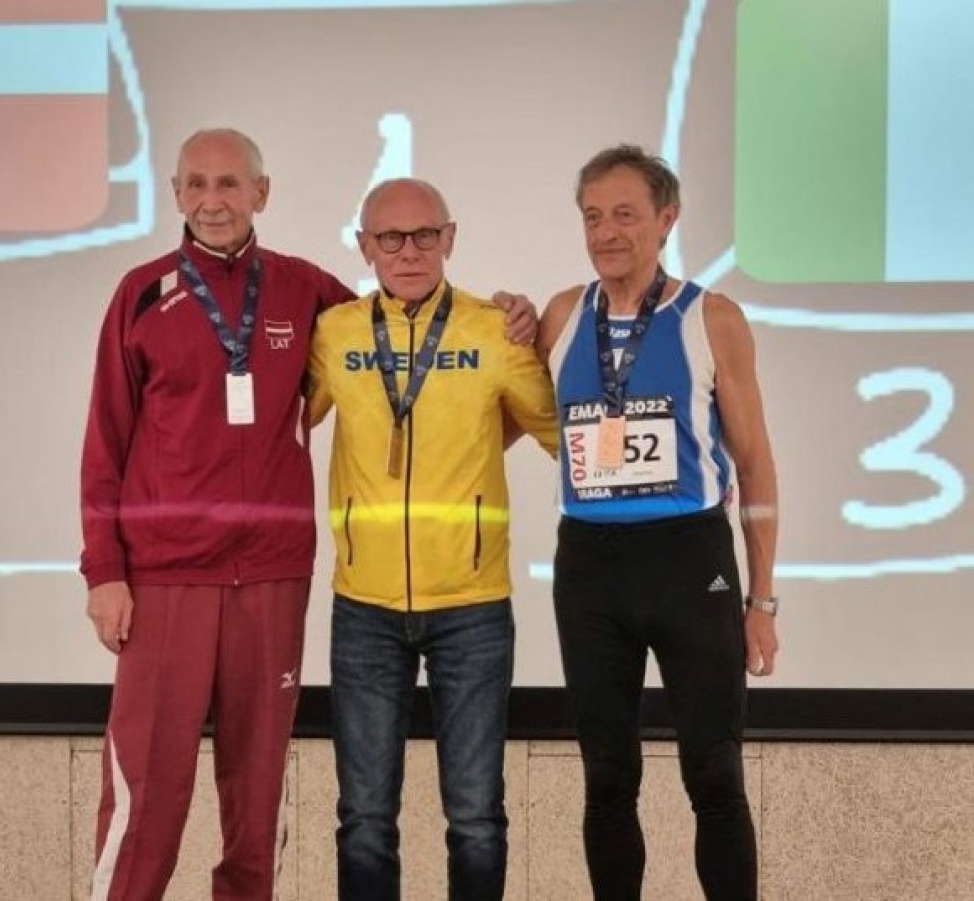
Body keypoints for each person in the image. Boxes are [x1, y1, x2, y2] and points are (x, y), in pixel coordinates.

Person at [79, 129, 537, 901]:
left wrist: (512, 315)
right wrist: (104, 570)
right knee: (148, 790)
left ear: (262, 193)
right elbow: (105, 440)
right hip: (165, 580)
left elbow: (402, 325)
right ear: (177, 193)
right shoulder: (141, 293)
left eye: (231, 183)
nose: (214, 200)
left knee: (257, 799)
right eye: (197, 184)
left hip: (273, 577)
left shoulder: (307, 292)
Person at [536, 144, 780, 901]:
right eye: (592, 217)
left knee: (714, 773)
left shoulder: (713, 317)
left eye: (625, 215)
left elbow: (755, 464)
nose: (606, 232)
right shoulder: (559, 316)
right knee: (608, 778)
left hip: (689, 561)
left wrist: (763, 599)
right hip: (590, 567)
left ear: (667, 218)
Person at [306, 177, 559, 901]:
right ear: (365, 246)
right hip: (363, 607)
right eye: (391, 238)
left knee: (476, 818)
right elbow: (274, 425)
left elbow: (563, 435)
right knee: (363, 819)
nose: (409, 251)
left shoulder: (493, 330)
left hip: (472, 609)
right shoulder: (336, 333)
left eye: (424, 235)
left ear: (450, 238)